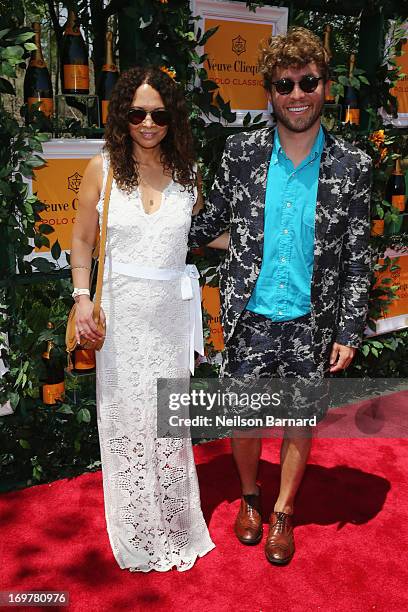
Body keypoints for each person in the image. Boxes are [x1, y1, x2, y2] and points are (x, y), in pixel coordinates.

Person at [189, 27, 372, 565]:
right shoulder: (241, 153)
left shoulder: (353, 165)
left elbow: (358, 254)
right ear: (270, 92)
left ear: (326, 86)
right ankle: (250, 498)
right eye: (285, 84)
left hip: (311, 321)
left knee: (298, 422)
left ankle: (284, 513)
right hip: (249, 314)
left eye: (308, 82)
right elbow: (208, 225)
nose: (298, 93)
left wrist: (349, 328)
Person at [70, 66, 218, 572]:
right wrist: (81, 297)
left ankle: (175, 523)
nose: (148, 123)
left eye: (158, 113)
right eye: (137, 113)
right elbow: (83, 240)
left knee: (168, 424)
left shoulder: (188, 173)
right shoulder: (103, 168)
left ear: (172, 117)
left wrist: (266, 238)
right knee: (128, 422)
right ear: (122, 116)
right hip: (123, 315)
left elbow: (206, 234)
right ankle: (136, 527)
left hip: (171, 318)